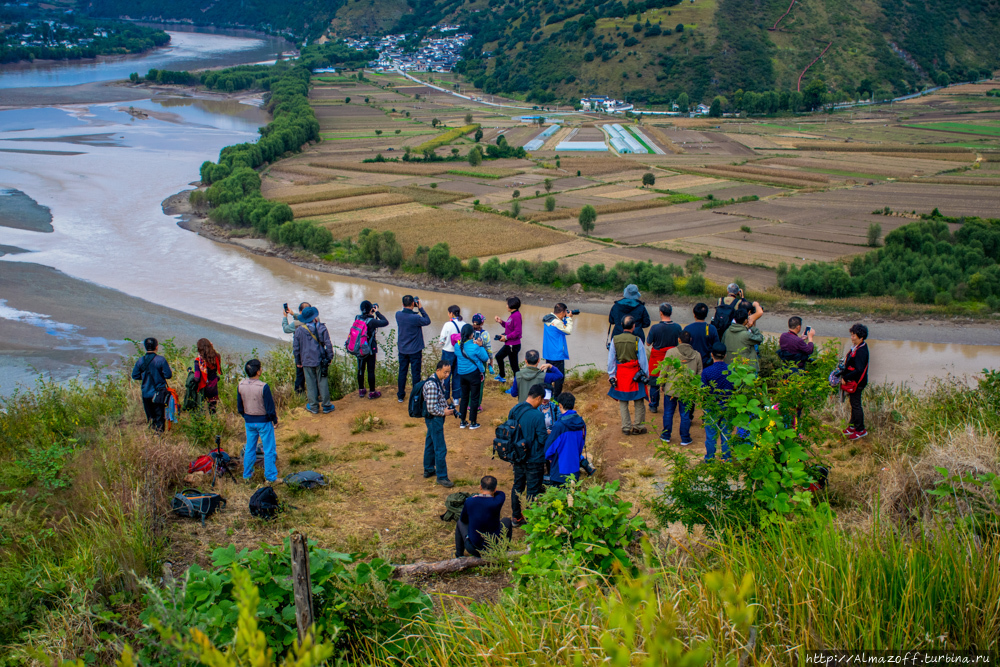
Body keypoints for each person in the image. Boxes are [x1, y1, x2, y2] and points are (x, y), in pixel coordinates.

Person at [509, 384, 549, 527]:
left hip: (517, 456)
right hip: (534, 458)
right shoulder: (537, 415)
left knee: (518, 486)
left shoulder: (514, 409)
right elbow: (543, 439)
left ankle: (516, 517)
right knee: (533, 489)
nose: (541, 403)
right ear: (538, 398)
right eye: (541, 400)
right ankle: (532, 520)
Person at [607, 315, 650, 435]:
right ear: (634, 326)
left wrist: (611, 375)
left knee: (623, 401)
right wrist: (645, 374)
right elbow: (643, 360)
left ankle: (626, 427)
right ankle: (638, 427)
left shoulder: (615, 339)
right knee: (639, 400)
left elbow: (611, 360)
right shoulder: (637, 340)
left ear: (621, 325)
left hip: (621, 373)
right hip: (635, 373)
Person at [237, 359, 278, 482]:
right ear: (258, 371)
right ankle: (270, 477)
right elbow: (270, 407)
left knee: (250, 448)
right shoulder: (263, 387)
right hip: (264, 421)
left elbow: (240, 407)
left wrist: (246, 416)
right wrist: (274, 420)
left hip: (249, 420)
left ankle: (247, 475)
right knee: (269, 449)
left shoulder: (241, 385)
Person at [660, 330, 702, 446]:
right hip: (687, 390)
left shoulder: (671, 352)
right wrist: (695, 387)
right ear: (690, 340)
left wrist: (662, 383)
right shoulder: (696, 355)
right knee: (685, 414)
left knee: (668, 412)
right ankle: (685, 438)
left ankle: (666, 435)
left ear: (679, 340)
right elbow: (699, 373)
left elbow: (665, 369)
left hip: (672, 388)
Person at [455, 475, 512, 558]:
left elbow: (463, 519)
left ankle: (459, 555)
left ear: (480, 487)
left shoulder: (470, 501)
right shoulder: (497, 501)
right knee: (507, 520)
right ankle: (504, 550)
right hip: (494, 546)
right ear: (495, 489)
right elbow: (501, 493)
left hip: (474, 548)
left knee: (460, 522)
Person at [544, 392, 595, 485]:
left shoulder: (559, 426)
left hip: (559, 470)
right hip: (574, 469)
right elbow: (581, 445)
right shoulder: (581, 423)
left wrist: (550, 458)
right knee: (571, 495)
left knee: (559, 497)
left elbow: (549, 449)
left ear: (560, 405)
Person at [293, 306, 335, 415]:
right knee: (323, 382)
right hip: (320, 359)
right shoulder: (322, 328)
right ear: (314, 317)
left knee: (310, 383)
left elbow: (296, 348)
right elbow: (328, 344)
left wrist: (298, 362)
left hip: (306, 361)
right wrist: (330, 357)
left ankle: (313, 407)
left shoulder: (299, 330)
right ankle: (326, 405)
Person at [423, 359, 456, 487]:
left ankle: (429, 469)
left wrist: (448, 407)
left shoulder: (439, 380)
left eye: (449, 372)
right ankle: (442, 477)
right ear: (438, 370)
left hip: (435, 419)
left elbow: (440, 399)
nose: (447, 375)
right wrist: (444, 412)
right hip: (434, 419)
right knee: (440, 448)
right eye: (445, 372)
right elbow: (431, 408)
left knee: (430, 444)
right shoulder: (432, 385)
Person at [646, 303, 683, 413]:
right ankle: (671, 404)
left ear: (660, 313)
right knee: (671, 380)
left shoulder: (655, 328)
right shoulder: (677, 327)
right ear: (671, 313)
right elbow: (679, 343)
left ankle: (653, 405)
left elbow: (648, 343)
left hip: (656, 359)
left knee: (654, 383)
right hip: (672, 358)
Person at [131, 337, 173, 432]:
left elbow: (135, 375)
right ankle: (159, 437)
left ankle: (152, 435)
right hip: (159, 393)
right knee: (160, 417)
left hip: (146, 392)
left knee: (150, 417)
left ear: (145, 347)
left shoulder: (141, 360)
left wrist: (145, 377)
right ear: (156, 347)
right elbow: (168, 375)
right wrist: (159, 375)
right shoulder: (161, 360)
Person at [701, 343, 734, 461]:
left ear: (712, 355)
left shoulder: (707, 372)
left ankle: (710, 458)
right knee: (726, 433)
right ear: (725, 355)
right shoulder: (731, 370)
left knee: (710, 435)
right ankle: (726, 458)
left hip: (711, 406)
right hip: (727, 405)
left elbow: (703, 391)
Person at [395, 295, 431, 403]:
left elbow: (406, 314)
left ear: (402, 304)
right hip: (415, 350)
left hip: (402, 349)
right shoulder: (416, 318)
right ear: (413, 304)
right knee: (415, 374)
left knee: (402, 372)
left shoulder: (398, 315)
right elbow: (427, 321)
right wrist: (420, 308)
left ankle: (401, 396)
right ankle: (416, 397)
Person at [455, 323, 490, 429]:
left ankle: (462, 421)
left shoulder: (457, 346)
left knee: (464, 397)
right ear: (471, 335)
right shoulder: (475, 347)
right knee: (474, 398)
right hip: (473, 375)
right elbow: (485, 358)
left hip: (462, 374)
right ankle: (473, 423)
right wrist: (480, 346)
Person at [355, 300, 389, 399]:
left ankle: (361, 390)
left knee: (360, 369)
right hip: (370, 349)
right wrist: (377, 312)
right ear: (371, 309)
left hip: (359, 348)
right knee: (370, 370)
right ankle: (372, 392)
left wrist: (370, 313)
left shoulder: (357, 318)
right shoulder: (372, 321)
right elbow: (385, 322)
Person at [842, 323, 870, 440]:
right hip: (855, 381)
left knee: (856, 405)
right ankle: (852, 426)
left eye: (854, 336)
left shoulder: (861, 351)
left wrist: (846, 377)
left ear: (861, 337)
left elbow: (859, 370)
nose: (852, 337)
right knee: (853, 403)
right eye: (852, 335)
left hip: (857, 382)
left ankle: (860, 429)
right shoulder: (858, 347)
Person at [542, 303, 573, 396]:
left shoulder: (548, 319)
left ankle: (546, 395)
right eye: (565, 313)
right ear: (563, 312)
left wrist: (564, 318)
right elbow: (568, 331)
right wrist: (569, 319)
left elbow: (559, 327)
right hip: (557, 355)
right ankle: (556, 398)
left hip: (549, 353)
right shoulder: (557, 322)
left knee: (548, 376)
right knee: (559, 377)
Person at [722, 307, 764, 371]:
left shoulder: (727, 331)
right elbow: (760, 338)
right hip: (745, 368)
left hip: (730, 366)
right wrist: (752, 327)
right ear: (745, 320)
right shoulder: (746, 335)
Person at [438, 305, 464, 403]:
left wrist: (445, 343)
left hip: (448, 352)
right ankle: (456, 398)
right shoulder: (464, 324)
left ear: (451, 313)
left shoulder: (447, 325)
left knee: (445, 375)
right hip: (460, 353)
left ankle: (445, 397)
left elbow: (441, 341)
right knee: (457, 374)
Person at [282, 302, 310, 394]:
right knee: (313, 375)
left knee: (300, 375)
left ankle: (299, 395)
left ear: (301, 311)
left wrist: (285, 317)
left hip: (301, 353)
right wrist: (293, 314)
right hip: (314, 352)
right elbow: (304, 318)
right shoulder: (315, 320)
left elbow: (286, 329)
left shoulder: (296, 324)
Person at [493, 297, 522, 382]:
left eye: (507, 304)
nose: (506, 306)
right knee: (498, 357)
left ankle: (517, 386)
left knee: (514, 367)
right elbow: (509, 326)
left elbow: (517, 332)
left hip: (513, 345)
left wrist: (505, 337)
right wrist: (501, 321)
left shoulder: (516, 315)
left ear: (511, 305)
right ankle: (502, 375)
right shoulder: (513, 315)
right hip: (509, 344)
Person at [470, 313, 495, 411]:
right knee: (479, 383)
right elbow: (488, 349)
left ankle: (468, 404)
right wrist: (491, 361)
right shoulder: (485, 334)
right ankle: (477, 405)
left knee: (469, 383)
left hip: (469, 361)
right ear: (482, 322)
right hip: (481, 362)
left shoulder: (468, 331)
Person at [684, 303, 720, 368]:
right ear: (706, 315)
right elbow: (716, 346)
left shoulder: (688, 328)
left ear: (694, 315)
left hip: (691, 363)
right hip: (707, 363)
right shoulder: (711, 328)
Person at [193, 338, 222, 414]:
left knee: (200, 409)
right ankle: (214, 423)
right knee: (212, 410)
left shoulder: (198, 361)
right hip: (213, 387)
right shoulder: (217, 357)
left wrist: (190, 373)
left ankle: (201, 423)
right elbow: (217, 371)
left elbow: (197, 378)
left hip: (203, 387)